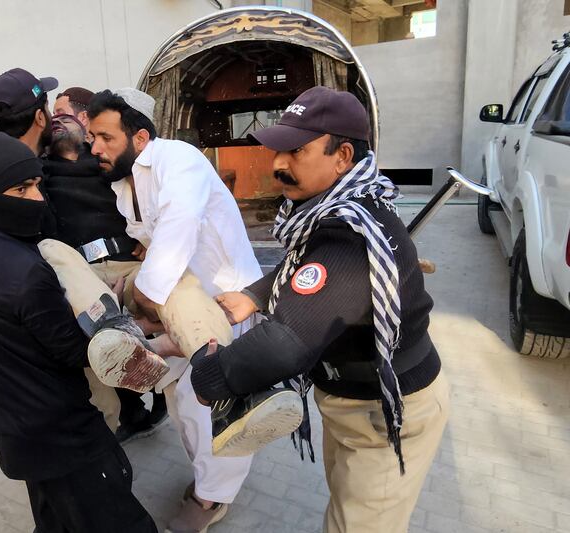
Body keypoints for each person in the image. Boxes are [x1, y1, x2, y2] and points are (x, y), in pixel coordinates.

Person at [189, 86, 450, 533]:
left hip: (386, 413)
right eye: (277, 150)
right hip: (351, 400)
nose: (277, 164)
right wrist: (254, 294)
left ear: (342, 155)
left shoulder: (350, 231)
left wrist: (209, 374)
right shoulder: (333, 209)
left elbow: (285, 344)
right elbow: (308, 268)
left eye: (296, 151)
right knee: (346, 506)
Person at [74, 89, 302, 532]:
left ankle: (213, 496)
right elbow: (155, 237)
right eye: (91, 137)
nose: (94, 147)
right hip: (179, 305)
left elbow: (178, 227)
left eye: (104, 137)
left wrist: (144, 299)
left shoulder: (178, 159)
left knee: (206, 403)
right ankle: (208, 469)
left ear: (140, 137)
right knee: (182, 400)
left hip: (224, 305)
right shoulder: (126, 182)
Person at [0, 131, 157, 533]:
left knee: (56, 521)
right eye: (21, 188)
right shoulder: (23, 271)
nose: (38, 199)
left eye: (37, 185)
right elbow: (78, 353)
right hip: (64, 436)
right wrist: (130, 326)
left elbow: (19, 330)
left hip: (18, 428)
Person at [48, 97, 169, 443]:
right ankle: (123, 418)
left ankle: (185, 384)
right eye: (53, 116)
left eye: (66, 114)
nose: (59, 120)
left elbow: (148, 198)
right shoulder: (41, 173)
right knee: (99, 339)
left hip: (128, 263)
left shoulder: (107, 164)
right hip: (82, 274)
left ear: (85, 123)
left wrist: (151, 238)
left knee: (167, 302)